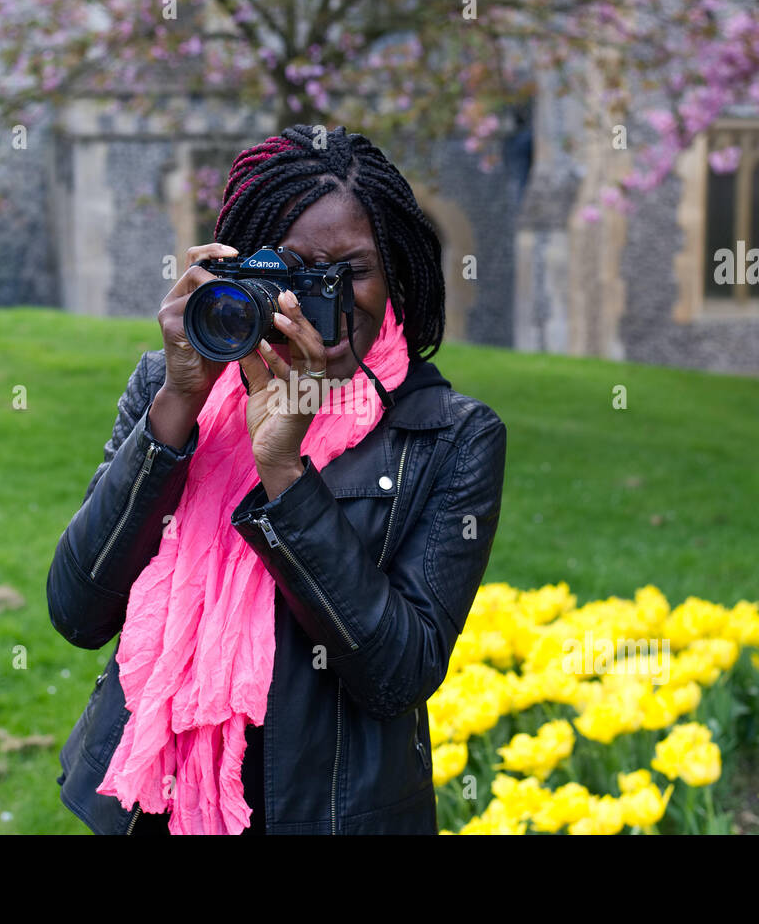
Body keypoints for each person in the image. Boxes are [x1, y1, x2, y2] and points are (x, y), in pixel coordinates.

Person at [49, 124, 507, 835]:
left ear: (396, 274)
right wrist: (176, 406)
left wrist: (286, 471)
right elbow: (78, 610)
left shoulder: (449, 435)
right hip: (153, 809)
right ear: (242, 267)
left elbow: (399, 671)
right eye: (293, 271)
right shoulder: (174, 389)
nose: (323, 299)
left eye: (351, 271)